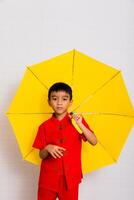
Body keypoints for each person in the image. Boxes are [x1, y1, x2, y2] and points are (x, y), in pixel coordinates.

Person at [32, 82, 97, 200]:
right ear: (49, 102)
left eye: (64, 99)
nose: (59, 103)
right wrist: (47, 148)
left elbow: (94, 141)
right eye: (55, 98)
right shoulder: (44, 127)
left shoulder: (77, 122)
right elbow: (41, 155)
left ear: (70, 102)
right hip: (48, 179)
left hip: (71, 178)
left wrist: (81, 124)